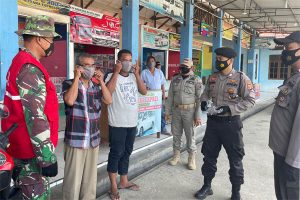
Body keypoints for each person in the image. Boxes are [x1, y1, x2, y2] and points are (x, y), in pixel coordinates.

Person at [1, 15, 60, 199]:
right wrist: (47, 157)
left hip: (24, 148)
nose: (52, 44)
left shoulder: (23, 62)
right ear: (39, 39)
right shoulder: (29, 69)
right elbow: (35, 116)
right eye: (50, 39)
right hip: (30, 155)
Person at [194, 47, 255, 200]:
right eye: (217, 59)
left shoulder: (241, 78)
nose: (218, 62)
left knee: (235, 159)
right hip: (214, 124)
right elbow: (206, 92)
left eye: (221, 60)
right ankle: (207, 186)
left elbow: (250, 100)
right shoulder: (213, 77)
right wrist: (203, 101)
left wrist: (231, 108)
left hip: (231, 124)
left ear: (231, 61)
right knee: (208, 156)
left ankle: (236, 192)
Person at [62, 53, 112, 200]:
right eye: (87, 66)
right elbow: (70, 101)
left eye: (92, 65)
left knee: (90, 181)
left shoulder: (96, 87)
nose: (90, 68)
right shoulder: (68, 83)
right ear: (79, 67)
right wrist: (76, 78)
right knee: (73, 181)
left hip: (93, 140)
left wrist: (102, 81)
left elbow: (108, 100)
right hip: (76, 139)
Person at [105, 49, 147, 200]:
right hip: (117, 123)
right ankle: (113, 186)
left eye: (130, 60)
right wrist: (116, 73)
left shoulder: (134, 77)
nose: (128, 62)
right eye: (125, 59)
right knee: (116, 153)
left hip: (131, 122)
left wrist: (136, 74)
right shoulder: (110, 76)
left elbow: (144, 91)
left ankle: (124, 181)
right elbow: (107, 94)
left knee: (127, 152)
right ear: (118, 61)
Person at [269, 31, 300, 200]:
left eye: (289, 47)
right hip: (282, 153)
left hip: (291, 160)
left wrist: (293, 163)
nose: (285, 52)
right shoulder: (294, 78)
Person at [165, 58, 203, 170]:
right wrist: (167, 112)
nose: (183, 68)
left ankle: (191, 158)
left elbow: (199, 99)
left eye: (186, 66)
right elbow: (170, 96)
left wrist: (198, 116)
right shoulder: (175, 79)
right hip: (176, 111)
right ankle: (176, 155)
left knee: (190, 135)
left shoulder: (196, 80)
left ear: (191, 68)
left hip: (190, 111)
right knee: (176, 134)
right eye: (182, 66)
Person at [141, 56, 168, 134]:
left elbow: (162, 84)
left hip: (159, 96)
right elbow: (141, 84)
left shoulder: (159, 72)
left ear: (155, 62)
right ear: (147, 63)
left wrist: (163, 95)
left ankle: (163, 128)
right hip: (149, 97)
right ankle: (152, 129)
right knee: (150, 113)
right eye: (149, 61)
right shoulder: (144, 72)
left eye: (152, 61)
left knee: (161, 113)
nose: (151, 62)